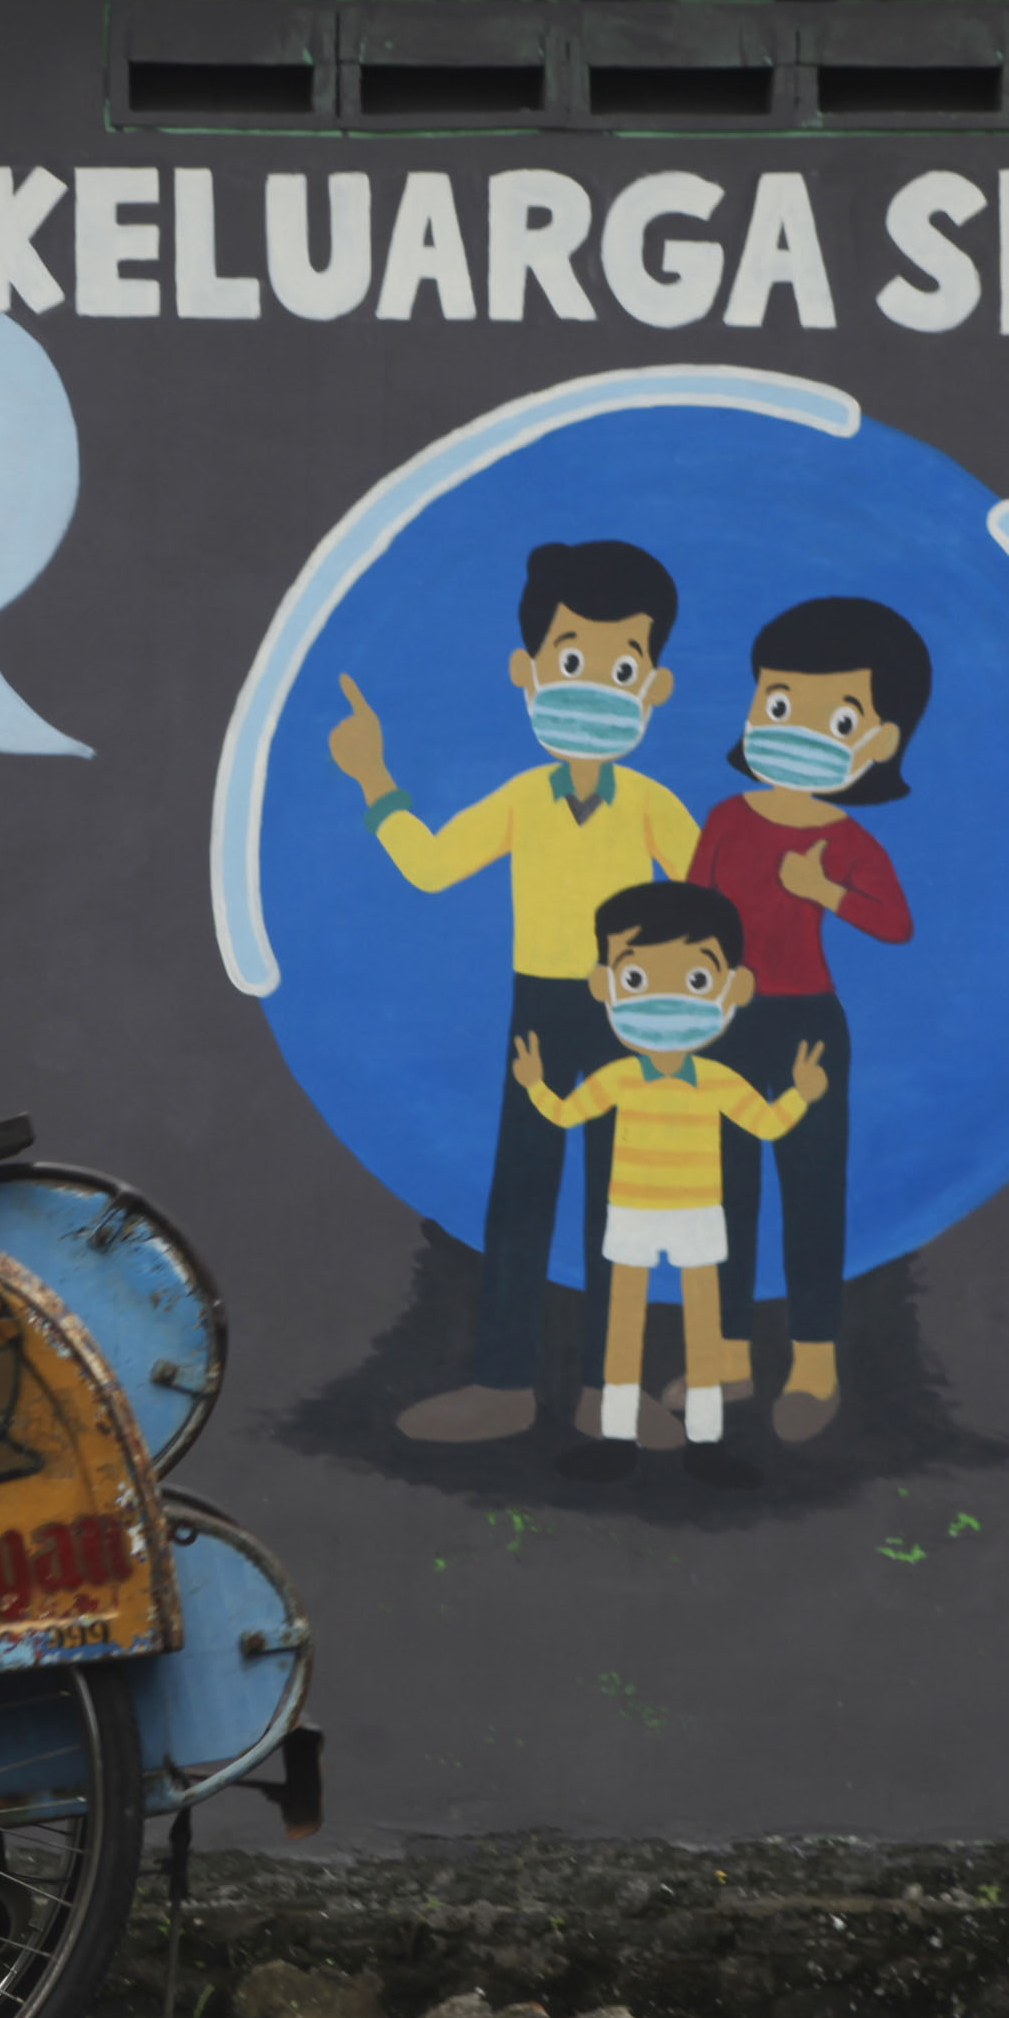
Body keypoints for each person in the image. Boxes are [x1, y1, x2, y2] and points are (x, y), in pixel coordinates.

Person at [327, 541, 700, 1445]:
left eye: (623, 667)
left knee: (624, 1203)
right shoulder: (522, 801)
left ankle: (615, 1392)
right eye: (574, 662)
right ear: (527, 672)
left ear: (654, 687)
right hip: (540, 1013)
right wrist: (375, 777)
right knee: (522, 1194)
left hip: (636, 1021)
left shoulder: (652, 803)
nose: (597, 686)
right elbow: (428, 865)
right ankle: (504, 1383)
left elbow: (712, 907)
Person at [684, 596, 927, 1443]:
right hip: (725, 1026)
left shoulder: (848, 838)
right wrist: (711, 994)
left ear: (878, 742)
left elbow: (895, 921)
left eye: (837, 712)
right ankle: (725, 1351)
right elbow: (693, 918)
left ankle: (815, 1362)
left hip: (809, 1028)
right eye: (777, 702)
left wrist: (825, 891)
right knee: (726, 1193)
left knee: (811, 1193)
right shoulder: (724, 819)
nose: (792, 725)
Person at [508, 880, 827, 1488]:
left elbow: (763, 1124)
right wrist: (534, 1085)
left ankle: (706, 1443)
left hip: (697, 1212)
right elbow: (567, 1114)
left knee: (704, 1329)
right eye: (636, 981)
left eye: (695, 982)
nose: (662, 1000)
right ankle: (616, 1438)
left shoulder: (715, 1079)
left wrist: (800, 1096)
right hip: (630, 1209)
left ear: (734, 989)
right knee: (621, 1325)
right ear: (605, 986)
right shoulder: (619, 1076)